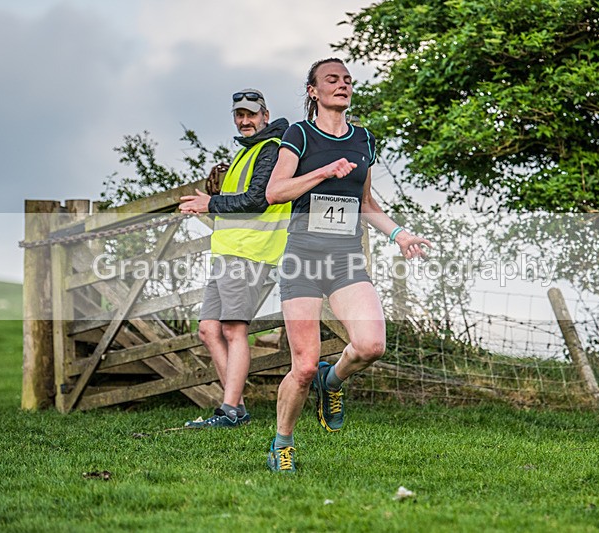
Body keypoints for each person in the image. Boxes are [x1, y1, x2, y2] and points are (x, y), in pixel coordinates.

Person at [263, 59, 431, 472]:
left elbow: (367, 204)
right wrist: (322, 172)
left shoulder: (363, 140)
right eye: (331, 80)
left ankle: (332, 380)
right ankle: (282, 444)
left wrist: (400, 235)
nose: (342, 85)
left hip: (344, 259)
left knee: (372, 345)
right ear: (313, 91)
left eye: (347, 80)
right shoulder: (298, 135)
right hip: (303, 257)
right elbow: (275, 192)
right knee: (301, 366)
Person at [179, 89, 290, 428]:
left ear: (265, 115)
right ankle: (236, 407)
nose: (244, 120)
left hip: (250, 253)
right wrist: (214, 198)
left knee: (233, 329)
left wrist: (210, 205)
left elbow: (258, 200)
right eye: (239, 115)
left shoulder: (271, 149)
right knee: (208, 329)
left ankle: (229, 411)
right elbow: (241, 199)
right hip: (229, 252)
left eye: (251, 114)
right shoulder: (248, 151)